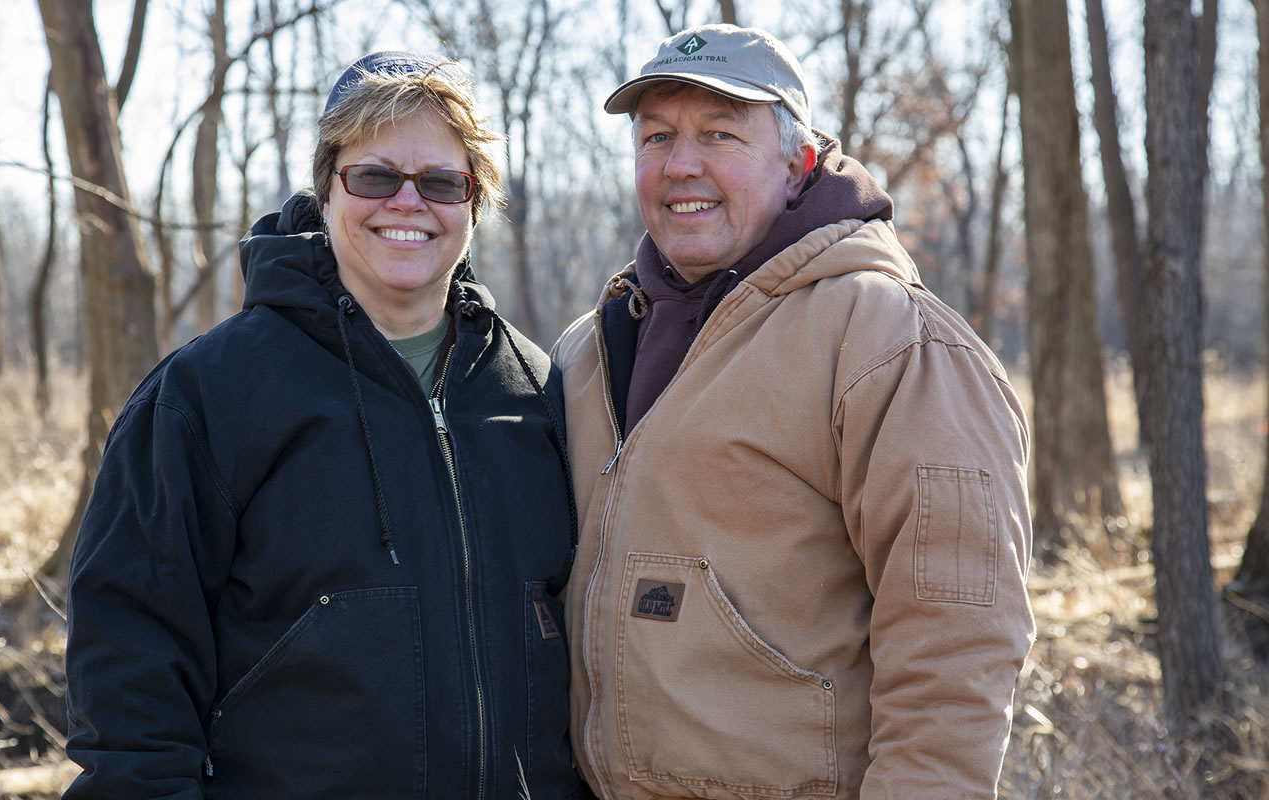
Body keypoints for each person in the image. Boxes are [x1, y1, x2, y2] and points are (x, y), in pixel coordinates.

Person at [63, 51, 587, 799]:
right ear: (327, 187)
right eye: (375, 176)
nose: (408, 203)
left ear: (474, 202)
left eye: (441, 182)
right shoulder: (207, 396)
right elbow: (129, 684)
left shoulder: (537, 389)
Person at [551, 23, 1035, 799]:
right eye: (656, 137)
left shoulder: (891, 342)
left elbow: (958, 650)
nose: (682, 165)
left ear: (797, 161)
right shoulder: (590, 347)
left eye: (719, 133)